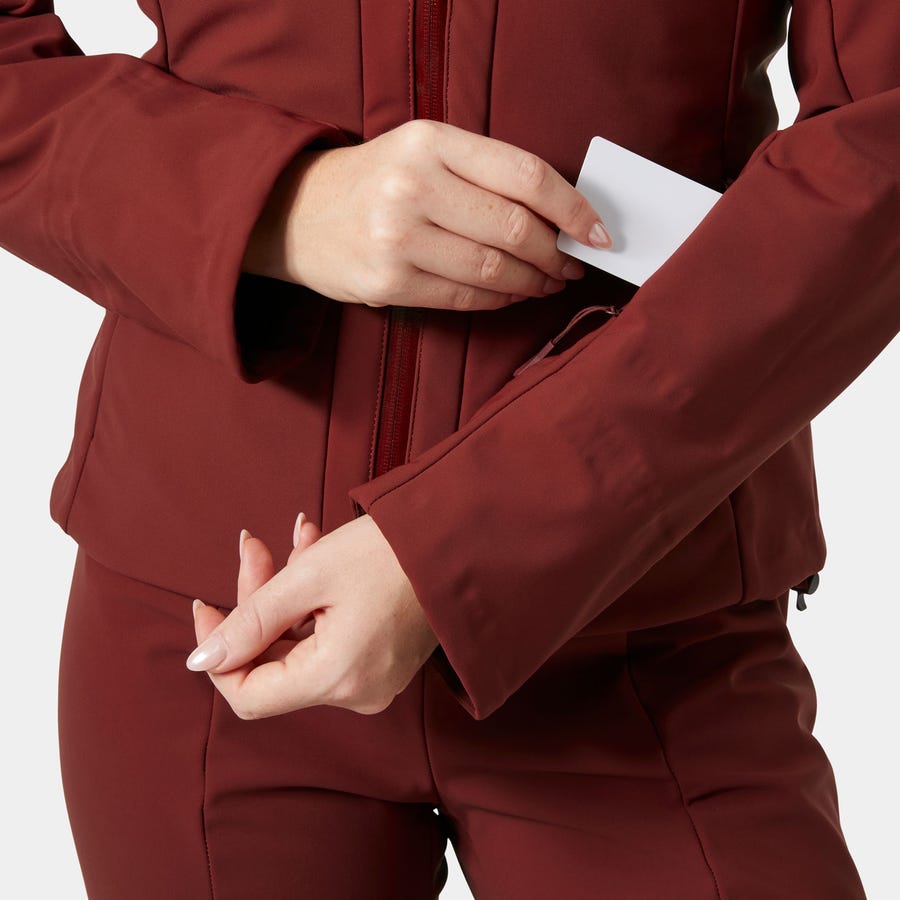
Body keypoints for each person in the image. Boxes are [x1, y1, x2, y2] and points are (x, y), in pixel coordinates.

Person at [1, 0, 896, 898]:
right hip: (221, 621)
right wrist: (279, 205)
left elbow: (881, 134)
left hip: (643, 619)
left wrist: (456, 544)